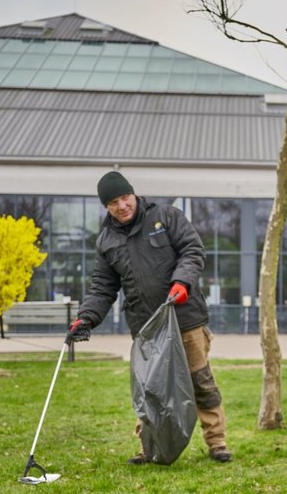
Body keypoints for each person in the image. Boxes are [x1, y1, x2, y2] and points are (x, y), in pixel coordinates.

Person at [68, 171, 232, 464]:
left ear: (133, 194)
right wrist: (86, 318)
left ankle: (217, 442)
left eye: (125, 197)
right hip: (147, 328)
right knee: (151, 390)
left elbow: (193, 250)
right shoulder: (106, 241)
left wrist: (182, 281)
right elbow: (103, 286)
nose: (122, 206)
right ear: (106, 207)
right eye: (113, 202)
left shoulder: (166, 217)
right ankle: (150, 446)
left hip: (186, 317)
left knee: (200, 382)